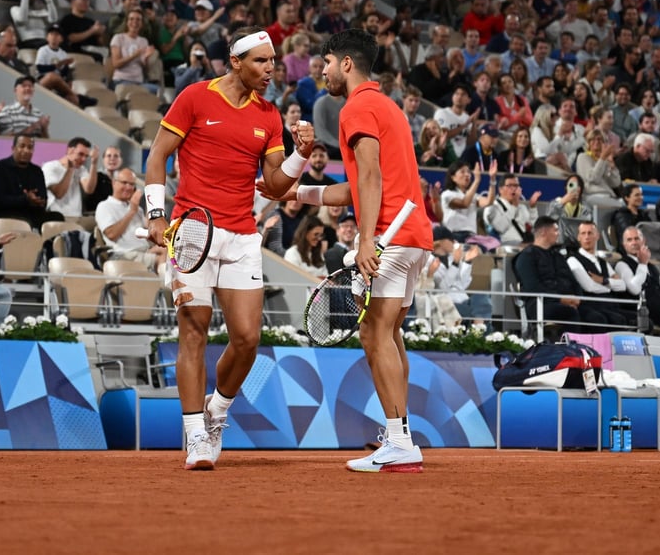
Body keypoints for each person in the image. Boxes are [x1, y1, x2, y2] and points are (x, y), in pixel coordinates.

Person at [143, 26, 315, 471]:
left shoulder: (271, 115)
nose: (269, 70)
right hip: (192, 231)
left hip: (241, 235)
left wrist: (300, 155)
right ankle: (195, 434)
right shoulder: (195, 97)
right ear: (235, 62)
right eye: (261, 61)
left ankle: (217, 410)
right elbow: (158, 153)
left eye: (273, 62)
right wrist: (156, 214)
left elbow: (276, 185)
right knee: (194, 331)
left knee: (247, 339)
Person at [273, 28, 432, 472]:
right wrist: (299, 194)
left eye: (325, 62)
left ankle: (399, 441)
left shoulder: (356, 106)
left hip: (389, 236)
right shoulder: (386, 106)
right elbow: (358, 186)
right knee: (391, 334)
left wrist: (365, 240)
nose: (320, 70)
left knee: (373, 334)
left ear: (346, 63)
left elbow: (369, 180)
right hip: (413, 233)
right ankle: (403, 437)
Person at [513, 216, 612, 333]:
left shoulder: (558, 256)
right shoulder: (526, 257)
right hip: (540, 304)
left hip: (568, 303)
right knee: (570, 313)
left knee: (596, 317)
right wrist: (561, 299)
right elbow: (533, 287)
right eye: (555, 230)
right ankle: (570, 349)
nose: (558, 234)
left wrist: (577, 299)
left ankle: (591, 349)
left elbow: (573, 282)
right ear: (544, 232)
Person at [94, 168, 165, 273]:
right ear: (114, 183)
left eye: (132, 184)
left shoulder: (137, 208)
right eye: (124, 183)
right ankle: (162, 288)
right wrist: (131, 211)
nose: (128, 187)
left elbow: (150, 233)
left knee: (170, 251)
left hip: (143, 250)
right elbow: (111, 234)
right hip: (123, 254)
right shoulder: (104, 206)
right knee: (162, 258)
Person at [0, 135, 65, 230]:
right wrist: (25, 199)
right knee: (24, 221)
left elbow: (43, 199)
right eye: (22, 146)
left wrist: (38, 201)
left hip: (32, 212)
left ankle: (48, 245)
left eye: (30, 147)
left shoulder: (37, 171)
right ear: (13, 148)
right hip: (7, 213)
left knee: (57, 217)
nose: (26, 150)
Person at [440, 159, 496, 241]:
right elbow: (464, 203)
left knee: (492, 243)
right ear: (453, 178)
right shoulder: (447, 194)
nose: (467, 175)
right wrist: (476, 181)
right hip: (453, 235)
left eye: (469, 172)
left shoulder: (473, 196)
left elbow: (489, 202)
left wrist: (492, 179)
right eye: (462, 172)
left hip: (470, 236)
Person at [43, 137, 98, 217]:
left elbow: (89, 189)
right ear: (70, 151)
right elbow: (59, 194)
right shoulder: (50, 167)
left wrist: (94, 163)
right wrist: (71, 168)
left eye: (86, 156)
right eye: (80, 154)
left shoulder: (81, 169)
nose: (83, 159)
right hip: (56, 216)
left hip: (76, 216)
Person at [483, 173, 539, 246]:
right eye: (509, 186)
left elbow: (535, 228)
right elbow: (501, 228)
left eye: (516, 185)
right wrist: (514, 205)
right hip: (504, 246)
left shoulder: (522, 207)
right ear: (500, 189)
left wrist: (532, 208)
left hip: (524, 245)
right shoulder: (493, 207)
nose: (513, 189)